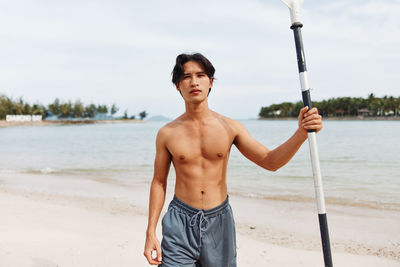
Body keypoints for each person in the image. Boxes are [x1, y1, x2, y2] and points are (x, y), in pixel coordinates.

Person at [144, 53, 322, 267]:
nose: (194, 82)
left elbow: (270, 161)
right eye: (186, 77)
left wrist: (301, 134)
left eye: (200, 75)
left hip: (219, 221)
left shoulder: (230, 127)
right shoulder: (167, 133)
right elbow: (159, 182)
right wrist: (150, 231)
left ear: (210, 82)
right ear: (177, 85)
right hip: (180, 221)